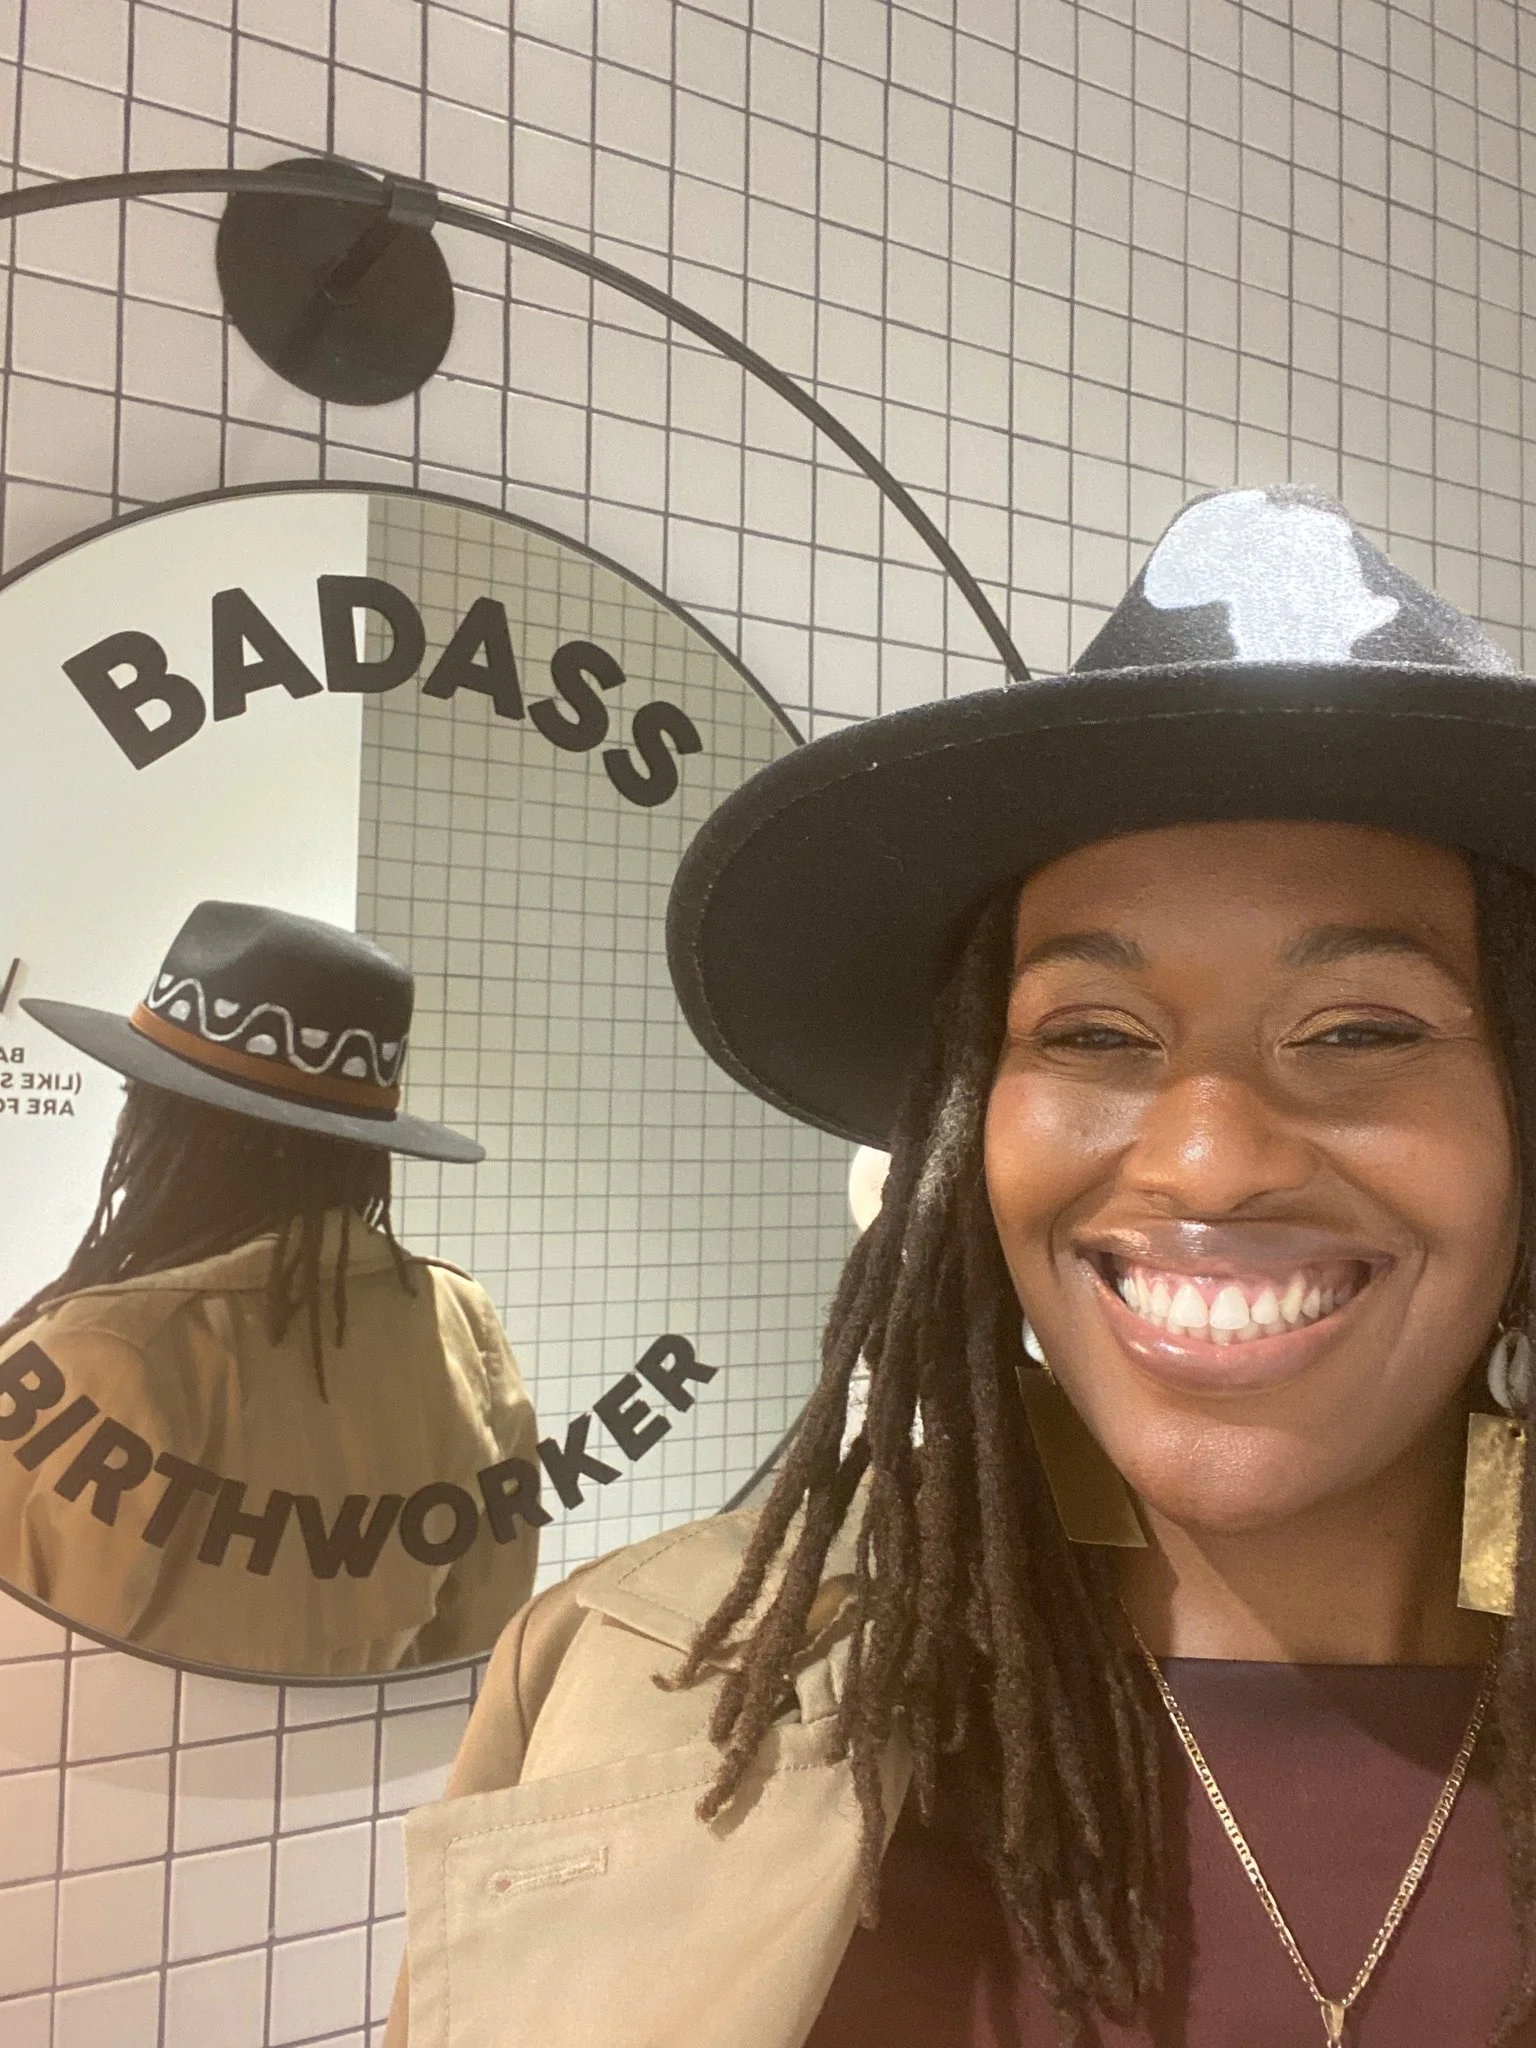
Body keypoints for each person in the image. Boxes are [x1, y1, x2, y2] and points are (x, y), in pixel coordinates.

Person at [387, 487, 1536, 2045]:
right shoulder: (633, 1693)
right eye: (1094, 1034)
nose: (1207, 1160)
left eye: (1360, 1030)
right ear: (964, 1121)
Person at [0, 901, 541, 1677]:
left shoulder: (102, 1355)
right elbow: (478, 1628)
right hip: (361, 1754)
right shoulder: (458, 1322)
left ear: (167, 1128)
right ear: (358, 1146)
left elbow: (31, 1671)